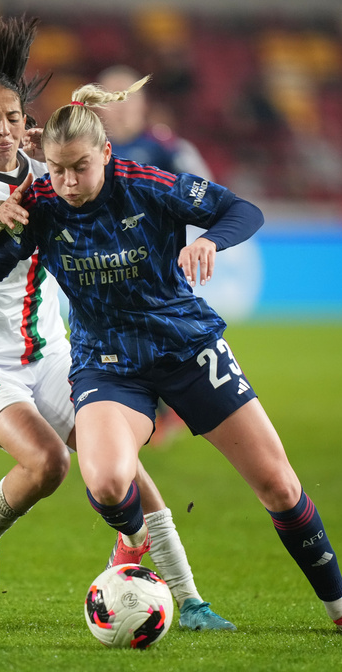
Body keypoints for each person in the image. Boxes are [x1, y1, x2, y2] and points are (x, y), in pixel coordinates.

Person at [0, 76, 342, 636]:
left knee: (279, 486)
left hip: (186, 346)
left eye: (80, 167)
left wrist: (208, 241)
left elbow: (241, 210)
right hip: (107, 363)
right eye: (56, 169)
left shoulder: (149, 185)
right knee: (104, 482)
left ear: (106, 152)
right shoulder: (44, 203)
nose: (68, 182)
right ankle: (136, 548)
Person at [0, 16, 234, 631]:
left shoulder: (49, 175)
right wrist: (1, 218)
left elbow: (99, 176)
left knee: (127, 470)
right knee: (48, 464)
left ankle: (190, 598)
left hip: (50, 352)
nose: (5, 130)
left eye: (13, 118)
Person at [96, 64, 212, 446]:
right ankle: (150, 409)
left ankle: (169, 407)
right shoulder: (87, 152)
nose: (123, 106)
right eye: (114, 98)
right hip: (103, 267)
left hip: (155, 269)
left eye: (130, 96)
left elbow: (204, 190)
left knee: (159, 334)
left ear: (144, 104)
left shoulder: (166, 148)